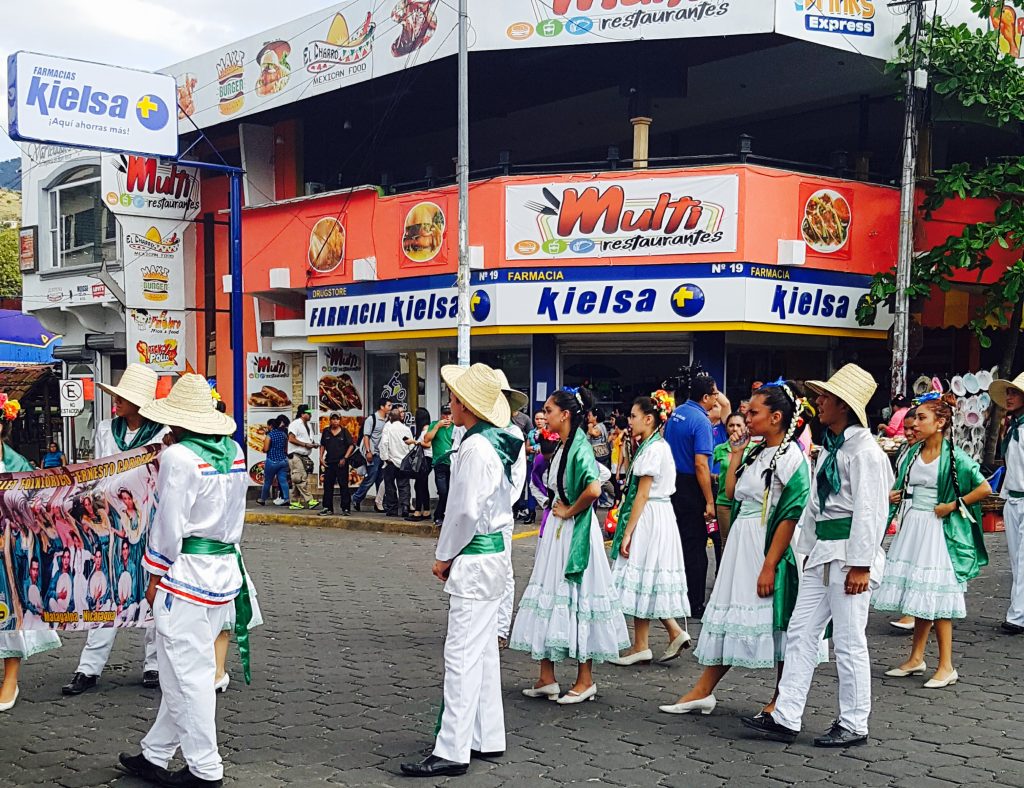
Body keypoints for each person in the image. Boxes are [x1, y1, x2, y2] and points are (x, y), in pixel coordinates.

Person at [741, 363, 893, 748]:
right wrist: (805, 549)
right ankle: (787, 714)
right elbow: (815, 505)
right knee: (801, 632)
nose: (818, 403)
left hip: (847, 556)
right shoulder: (834, 446)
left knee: (848, 639)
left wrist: (861, 563)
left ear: (843, 405)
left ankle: (854, 721)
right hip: (824, 553)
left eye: (825, 397)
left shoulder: (866, 452)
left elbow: (871, 511)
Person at [118, 373, 252, 788]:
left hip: (186, 576)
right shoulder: (234, 452)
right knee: (185, 672)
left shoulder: (179, 458)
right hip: (223, 572)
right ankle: (155, 754)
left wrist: (154, 573)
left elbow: (168, 525)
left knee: (186, 677)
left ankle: (205, 768)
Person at [661, 381, 816, 717]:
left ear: (776, 417)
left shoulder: (791, 458)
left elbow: (790, 514)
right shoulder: (757, 450)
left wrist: (770, 564)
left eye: (754, 412)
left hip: (766, 544)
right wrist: (735, 453)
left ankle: (780, 696)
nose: (746, 416)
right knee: (735, 615)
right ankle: (703, 689)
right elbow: (730, 493)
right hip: (744, 542)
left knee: (778, 621)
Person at [399, 364, 520, 779]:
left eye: (454, 397)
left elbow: (463, 511)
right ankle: (486, 735)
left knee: (462, 654)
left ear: (466, 404)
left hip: (475, 557)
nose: (450, 402)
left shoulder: (474, 447)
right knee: (482, 651)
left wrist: (444, 554)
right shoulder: (497, 442)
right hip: (494, 556)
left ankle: (452, 747)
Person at [509, 386, 629, 704]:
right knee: (551, 594)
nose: (544, 415)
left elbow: (592, 488)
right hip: (560, 532)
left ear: (564, 415)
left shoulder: (579, 448)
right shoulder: (564, 446)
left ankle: (584, 679)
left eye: (548, 410)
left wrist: (569, 509)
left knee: (577, 597)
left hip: (575, 532)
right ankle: (546, 676)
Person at [63, 364, 167, 698]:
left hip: (150, 519)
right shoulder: (107, 430)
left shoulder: (162, 432)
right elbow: (96, 471)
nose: (116, 403)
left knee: (151, 587)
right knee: (104, 589)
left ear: (138, 403)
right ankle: (88, 667)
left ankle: (153, 663)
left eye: (122, 398)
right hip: (109, 520)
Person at [874, 393, 990, 687]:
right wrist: (894, 497)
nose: (915, 423)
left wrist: (953, 505)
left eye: (922, 418)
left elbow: (984, 488)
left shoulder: (954, 456)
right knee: (919, 594)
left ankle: (947, 665)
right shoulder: (914, 452)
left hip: (939, 530)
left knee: (938, 597)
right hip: (916, 524)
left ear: (940, 423)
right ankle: (915, 658)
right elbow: (904, 484)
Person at [608, 395, 690, 666]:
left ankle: (661, 636)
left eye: (633, 416)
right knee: (644, 576)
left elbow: (641, 495)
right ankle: (643, 643)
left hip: (650, 515)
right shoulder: (654, 445)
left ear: (649, 418)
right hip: (658, 513)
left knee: (642, 572)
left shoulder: (654, 449)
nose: (629, 421)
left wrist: (628, 531)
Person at [0, 419, 61, 713]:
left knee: (10, 613)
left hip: (8, 550)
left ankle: (10, 677)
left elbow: (31, 508)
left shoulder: (18, 464)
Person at [664, 367, 726, 619]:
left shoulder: (676, 414)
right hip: (692, 486)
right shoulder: (700, 420)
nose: (716, 399)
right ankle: (694, 602)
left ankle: (676, 596)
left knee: (678, 543)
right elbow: (701, 464)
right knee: (696, 547)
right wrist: (709, 500)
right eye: (713, 395)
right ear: (705, 398)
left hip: (673, 483)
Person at [492, 370, 529, 649]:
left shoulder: (512, 433)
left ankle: (501, 627)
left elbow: (517, 477)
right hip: (476, 513)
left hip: (500, 512)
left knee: (503, 571)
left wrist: (503, 505)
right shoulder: (470, 430)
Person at [991, 371, 1024, 634]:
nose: (1009, 397)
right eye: (1009, 393)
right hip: (1012, 499)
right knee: (1015, 560)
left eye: (1014, 392)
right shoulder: (1012, 427)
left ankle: (1017, 616)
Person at [889, 406, 919, 631]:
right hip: (904, 507)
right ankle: (908, 608)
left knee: (916, 560)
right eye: (905, 428)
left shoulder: (929, 452)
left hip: (919, 510)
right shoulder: (905, 450)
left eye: (913, 429)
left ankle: (912, 612)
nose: (908, 433)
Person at [352, 398, 393, 513]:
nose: (390, 408)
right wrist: (368, 452)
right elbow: (366, 436)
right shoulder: (372, 419)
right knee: (371, 477)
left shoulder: (387, 420)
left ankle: (379, 503)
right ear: (382, 407)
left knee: (380, 479)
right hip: (373, 453)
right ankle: (356, 498)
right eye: (389, 406)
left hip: (382, 454)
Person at [712, 412, 746, 550]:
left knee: (743, 542)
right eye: (731, 425)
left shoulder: (752, 449)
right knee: (726, 543)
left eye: (738, 425)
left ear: (745, 427)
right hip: (724, 503)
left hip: (744, 503)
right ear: (726, 428)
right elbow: (705, 469)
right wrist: (716, 477)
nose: (735, 428)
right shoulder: (719, 449)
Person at [380, 407, 414, 517]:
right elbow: (411, 445)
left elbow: (384, 443)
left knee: (390, 485)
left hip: (391, 461)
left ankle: (392, 508)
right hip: (403, 461)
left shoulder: (388, 428)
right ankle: (405, 506)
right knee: (404, 485)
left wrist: (385, 457)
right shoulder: (406, 429)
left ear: (390, 418)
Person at [319, 413, 355, 516]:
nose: (335, 421)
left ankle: (346, 508)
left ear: (340, 421)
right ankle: (327, 508)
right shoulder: (326, 431)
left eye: (337, 419)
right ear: (330, 420)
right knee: (328, 486)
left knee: (343, 485)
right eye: (333, 419)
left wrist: (345, 457)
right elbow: (322, 445)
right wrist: (321, 457)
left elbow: (351, 446)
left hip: (341, 463)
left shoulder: (344, 432)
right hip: (329, 462)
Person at [424, 405, 454, 526]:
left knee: (452, 492)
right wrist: (437, 426)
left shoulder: (456, 427)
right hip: (439, 463)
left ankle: (446, 515)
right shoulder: (435, 425)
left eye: (449, 414)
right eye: (444, 414)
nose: (447, 417)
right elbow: (427, 439)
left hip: (453, 463)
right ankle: (438, 515)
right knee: (443, 491)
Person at [287, 405, 319, 511]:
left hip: (304, 456)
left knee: (297, 478)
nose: (310, 415)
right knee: (301, 478)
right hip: (296, 455)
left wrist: (312, 444)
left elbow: (307, 439)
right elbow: (291, 438)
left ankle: (294, 502)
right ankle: (309, 500)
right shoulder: (295, 424)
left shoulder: (308, 425)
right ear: (302, 414)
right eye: (308, 413)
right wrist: (305, 444)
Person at [257, 416, 290, 506]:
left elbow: (266, 448)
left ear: (272, 426)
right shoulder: (284, 435)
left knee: (268, 481)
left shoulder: (270, 435)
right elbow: (286, 449)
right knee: (283, 480)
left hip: (272, 461)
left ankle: (262, 499)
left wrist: (264, 449)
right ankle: (286, 498)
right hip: (283, 461)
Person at [408, 408, 433, 522]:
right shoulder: (427, 428)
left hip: (425, 459)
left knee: (419, 485)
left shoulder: (425, 430)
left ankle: (418, 511)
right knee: (422, 485)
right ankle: (426, 510)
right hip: (427, 460)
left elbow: (427, 444)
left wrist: (414, 442)